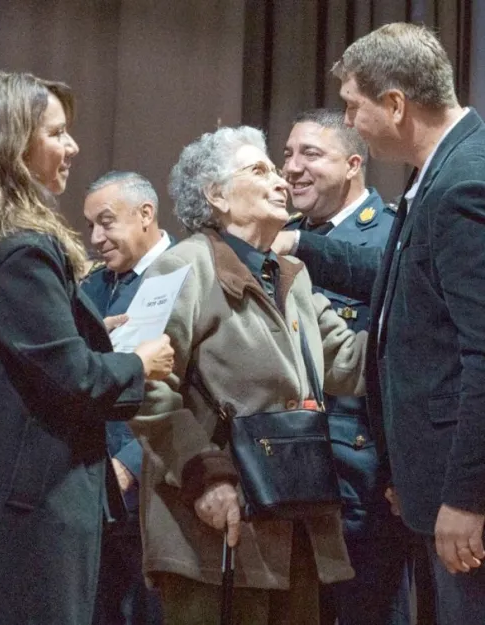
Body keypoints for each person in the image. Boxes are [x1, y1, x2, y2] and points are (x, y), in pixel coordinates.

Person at [274, 23, 485, 624]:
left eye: (354, 106)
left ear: (395, 103)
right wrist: (300, 246)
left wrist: (466, 498)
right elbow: (404, 288)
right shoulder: (455, 162)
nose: (350, 120)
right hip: (448, 483)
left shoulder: (469, 183)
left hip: (480, 499)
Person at [0, 71, 174, 625]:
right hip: (25, 516)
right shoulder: (21, 252)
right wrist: (139, 364)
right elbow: (73, 379)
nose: (72, 146)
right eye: (57, 133)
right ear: (13, 145)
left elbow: (22, 363)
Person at [127, 125, 367, 625]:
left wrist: (429, 329)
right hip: (212, 531)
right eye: (259, 170)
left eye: (275, 170)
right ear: (217, 196)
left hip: (295, 523)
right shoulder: (179, 267)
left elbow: (347, 363)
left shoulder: (290, 274)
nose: (281, 180)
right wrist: (202, 475)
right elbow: (145, 388)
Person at [281, 108, 413, 625]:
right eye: (288, 153)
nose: (292, 167)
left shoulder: (390, 239)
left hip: (365, 476)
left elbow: (402, 369)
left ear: (354, 163)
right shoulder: (278, 236)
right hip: (287, 472)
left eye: (311, 153)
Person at [81, 171, 174, 625]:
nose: (96, 238)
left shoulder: (186, 274)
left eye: (106, 222)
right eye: (91, 226)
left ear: (145, 215)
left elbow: (194, 389)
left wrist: (132, 464)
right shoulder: (91, 288)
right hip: (93, 490)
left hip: (157, 489)